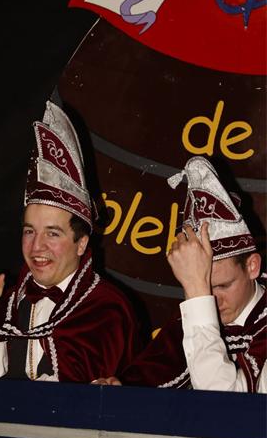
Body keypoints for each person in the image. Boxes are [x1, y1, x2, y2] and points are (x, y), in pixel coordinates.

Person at [0, 100, 141, 381]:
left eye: (52, 233)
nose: (37, 246)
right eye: (29, 231)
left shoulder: (107, 308)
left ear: (82, 244)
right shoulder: (4, 304)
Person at [107, 156, 266, 393]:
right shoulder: (191, 316)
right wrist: (119, 388)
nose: (213, 301)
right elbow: (152, 370)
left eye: (223, 285)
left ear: (252, 266)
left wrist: (198, 295)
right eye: (201, 287)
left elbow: (223, 402)